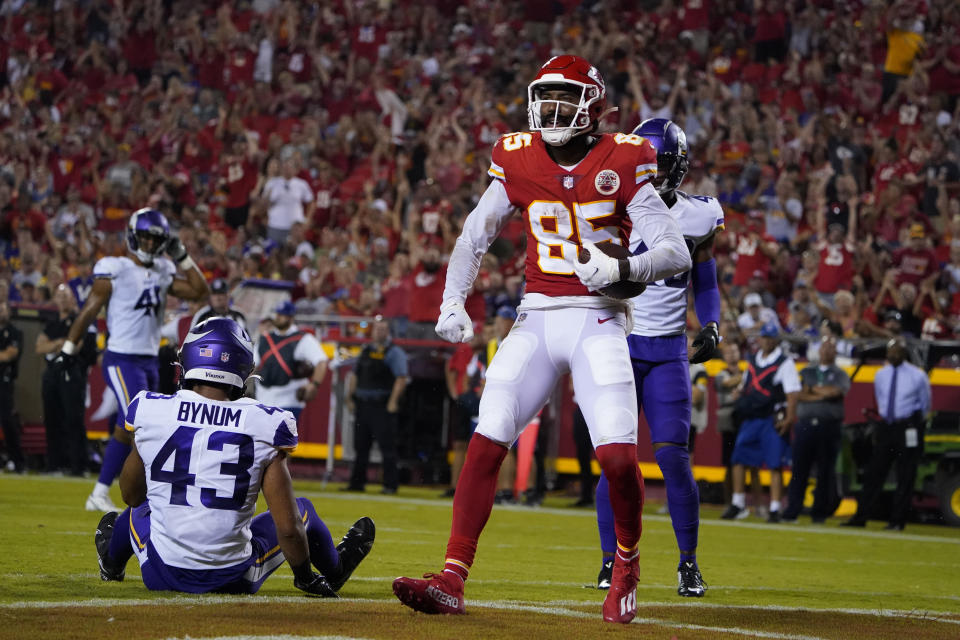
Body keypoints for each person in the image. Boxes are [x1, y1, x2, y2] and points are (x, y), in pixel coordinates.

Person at [392, 55, 690, 624]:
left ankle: (626, 563)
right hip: (536, 314)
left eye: (566, 98)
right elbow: (475, 234)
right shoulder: (517, 156)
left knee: (620, 459)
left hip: (599, 316)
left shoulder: (625, 157)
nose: (551, 110)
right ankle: (452, 576)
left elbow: (674, 252)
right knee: (489, 436)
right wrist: (451, 300)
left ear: (594, 107)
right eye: (545, 97)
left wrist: (622, 273)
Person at [94, 318, 375, 595]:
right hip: (234, 577)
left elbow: (131, 496)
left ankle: (111, 563)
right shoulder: (265, 421)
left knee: (139, 510)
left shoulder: (150, 408)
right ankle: (335, 570)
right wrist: (305, 578)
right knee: (302, 510)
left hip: (160, 572)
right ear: (243, 368)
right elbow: (288, 528)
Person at [591, 119, 722, 598]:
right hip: (620, 345)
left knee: (674, 459)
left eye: (662, 162)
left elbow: (705, 282)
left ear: (679, 165)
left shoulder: (699, 215)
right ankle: (610, 561)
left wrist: (710, 323)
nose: (654, 171)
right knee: (616, 459)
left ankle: (688, 563)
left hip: (668, 351)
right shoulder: (610, 208)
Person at [59, 208, 209, 512]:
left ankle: (103, 492)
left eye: (156, 240)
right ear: (132, 236)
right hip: (121, 357)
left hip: (150, 360)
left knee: (129, 425)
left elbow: (200, 291)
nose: (150, 245)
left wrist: (182, 257)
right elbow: (90, 309)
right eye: (145, 238)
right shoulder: (115, 268)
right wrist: (67, 350)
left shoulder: (165, 270)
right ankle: (127, 492)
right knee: (138, 423)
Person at [842, 338, 931, 531]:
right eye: (892, 351)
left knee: (905, 474)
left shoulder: (917, 375)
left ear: (904, 353)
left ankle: (897, 520)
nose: (894, 354)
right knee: (875, 471)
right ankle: (860, 516)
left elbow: (925, 405)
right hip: (886, 426)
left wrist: (912, 422)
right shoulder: (881, 374)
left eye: (898, 351)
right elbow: (881, 397)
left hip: (907, 426)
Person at [722, 323, 800, 523]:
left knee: (774, 464)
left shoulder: (784, 363)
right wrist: (739, 392)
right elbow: (747, 384)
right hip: (751, 417)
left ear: (776, 340)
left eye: (770, 338)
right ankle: (738, 503)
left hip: (770, 418)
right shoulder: (753, 360)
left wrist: (790, 418)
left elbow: (792, 392)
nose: (766, 341)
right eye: (764, 337)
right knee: (738, 459)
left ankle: (775, 508)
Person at [782, 336, 851, 524]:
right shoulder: (807, 370)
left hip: (829, 426)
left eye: (831, 348)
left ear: (836, 352)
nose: (827, 351)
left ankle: (819, 513)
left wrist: (811, 391)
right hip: (804, 425)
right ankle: (792, 510)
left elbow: (836, 392)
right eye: (825, 347)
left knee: (825, 471)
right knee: (799, 470)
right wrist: (821, 393)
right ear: (819, 350)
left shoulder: (840, 374)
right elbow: (798, 395)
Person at [36, 285, 98, 476]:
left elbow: (76, 346)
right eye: (59, 295)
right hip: (52, 374)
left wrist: (54, 345)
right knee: (52, 419)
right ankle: (55, 464)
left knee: (73, 419)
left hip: (72, 373)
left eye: (66, 296)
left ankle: (78, 466)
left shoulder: (80, 320)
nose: (62, 299)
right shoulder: (52, 322)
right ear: (55, 299)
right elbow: (39, 347)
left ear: (73, 299)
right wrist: (59, 343)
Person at [344, 316, 409, 495]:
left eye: (383, 328)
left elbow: (401, 378)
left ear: (388, 332)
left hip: (382, 405)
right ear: (372, 331)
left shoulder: (394, 352)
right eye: (377, 328)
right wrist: (350, 397)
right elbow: (355, 375)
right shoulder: (365, 350)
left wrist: (393, 402)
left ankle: (390, 484)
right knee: (360, 446)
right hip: (363, 405)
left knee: (387, 447)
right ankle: (357, 483)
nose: (379, 331)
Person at [253, 301, 328, 418]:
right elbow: (254, 365)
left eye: (281, 315)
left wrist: (314, 384)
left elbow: (321, 361)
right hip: (263, 399)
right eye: (277, 314)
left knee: (280, 436)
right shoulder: (264, 339)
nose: (277, 317)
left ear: (290, 318)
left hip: (289, 400)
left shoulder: (304, 339)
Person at [443, 322, 487, 497]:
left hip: (479, 402)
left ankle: (470, 488)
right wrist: (455, 393)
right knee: (460, 444)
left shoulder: (486, 353)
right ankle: (456, 486)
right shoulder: (469, 352)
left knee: (478, 447)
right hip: (467, 401)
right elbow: (451, 369)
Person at [0, 301, 24, 474]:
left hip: (4, 380)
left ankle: (18, 461)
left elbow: (10, 354)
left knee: (7, 420)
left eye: (4, 308)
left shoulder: (15, 332)